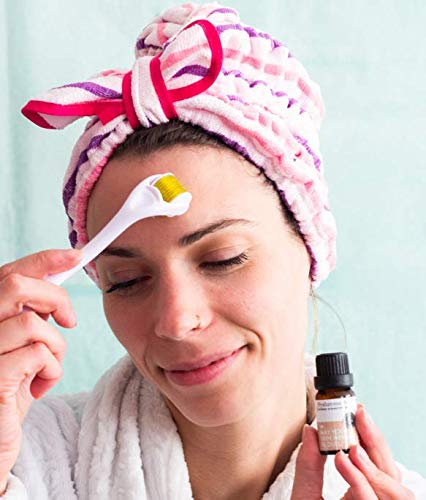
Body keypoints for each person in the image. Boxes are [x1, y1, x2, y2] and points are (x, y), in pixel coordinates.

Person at [0, 2, 425, 499]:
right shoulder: (21, 456)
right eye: (126, 282)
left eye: (223, 259)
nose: (177, 321)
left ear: (310, 248)